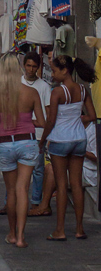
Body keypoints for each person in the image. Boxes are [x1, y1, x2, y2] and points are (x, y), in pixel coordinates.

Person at [0, 53, 45, 249]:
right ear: (19, 68)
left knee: (11, 191)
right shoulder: (31, 93)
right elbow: (42, 122)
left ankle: (11, 233)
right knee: (23, 190)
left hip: (5, 143)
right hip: (27, 142)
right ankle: (21, 237)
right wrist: (27, 121)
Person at [39, 54, 97, 241]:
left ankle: (60, 230)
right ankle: (79, 229)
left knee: (61, 185)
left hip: (60, 140)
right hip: (79, 139)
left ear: (64, 71)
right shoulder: (82, 89)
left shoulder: (57, 92)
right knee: (77, 184)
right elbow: (92, 117)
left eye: (54, 71)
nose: (53, 75)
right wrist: (77, 119)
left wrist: (42, 140)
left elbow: (51, 120)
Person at [22, 51, 51, 209]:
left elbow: (48, 111)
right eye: (28, 66)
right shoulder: (18, 83)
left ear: (38, 68)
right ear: (24, 65)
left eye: (34, 67)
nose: (31, 69)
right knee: (19, 169)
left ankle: (36, 201)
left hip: (38, 133)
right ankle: (14, 201)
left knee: (38, 169)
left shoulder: (44, 87)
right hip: (21, 132)